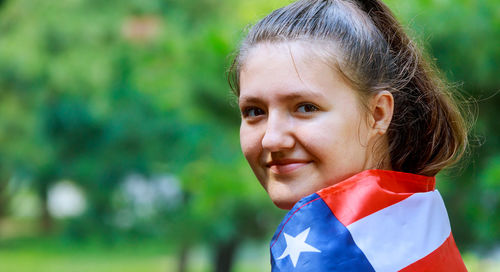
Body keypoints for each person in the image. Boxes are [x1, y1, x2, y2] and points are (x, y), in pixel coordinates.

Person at [229, 0, 468, 271]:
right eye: (253, 111)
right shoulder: (416, 236)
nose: (271, 139)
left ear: (378, 113)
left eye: (306, 108)